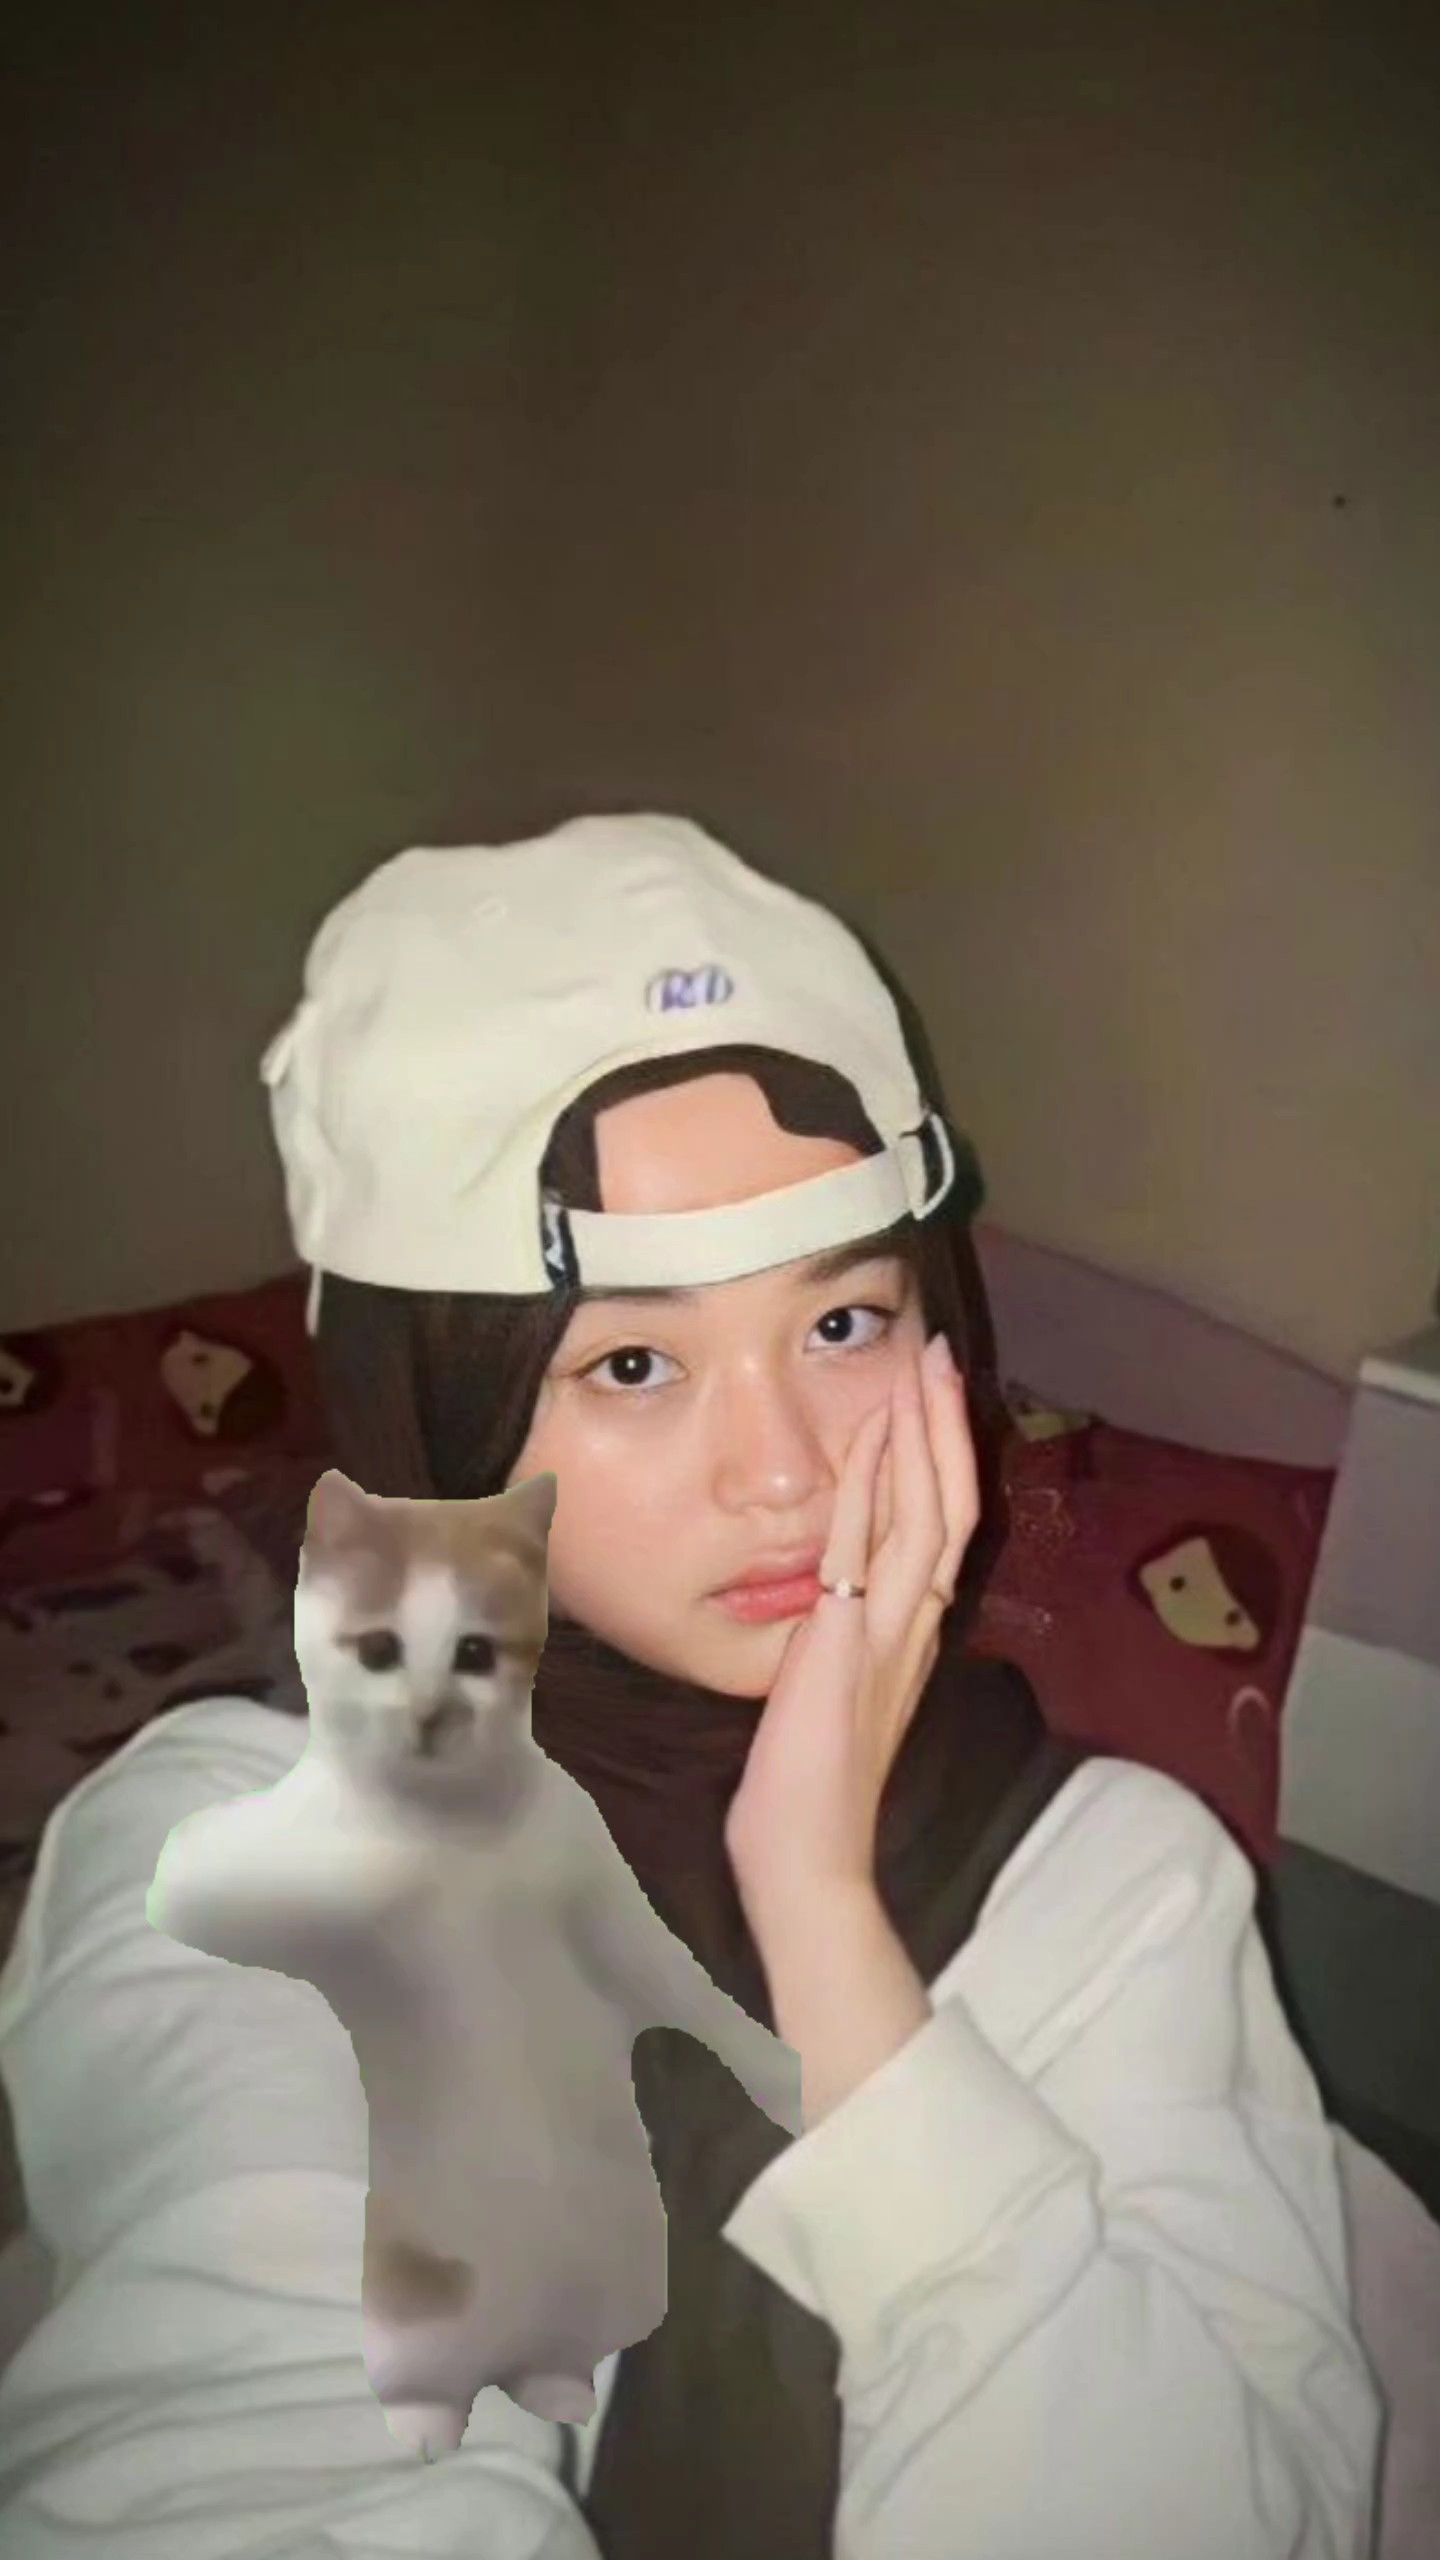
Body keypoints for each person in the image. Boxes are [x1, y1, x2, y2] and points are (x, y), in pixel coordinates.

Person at [0, 814, 1385, 2560]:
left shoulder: (1109, 1875)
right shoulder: (232, 1850)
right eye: (638, 1362)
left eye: (841, 1325)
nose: (786, 1473)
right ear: (440, 1412)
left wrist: (824, 1923)